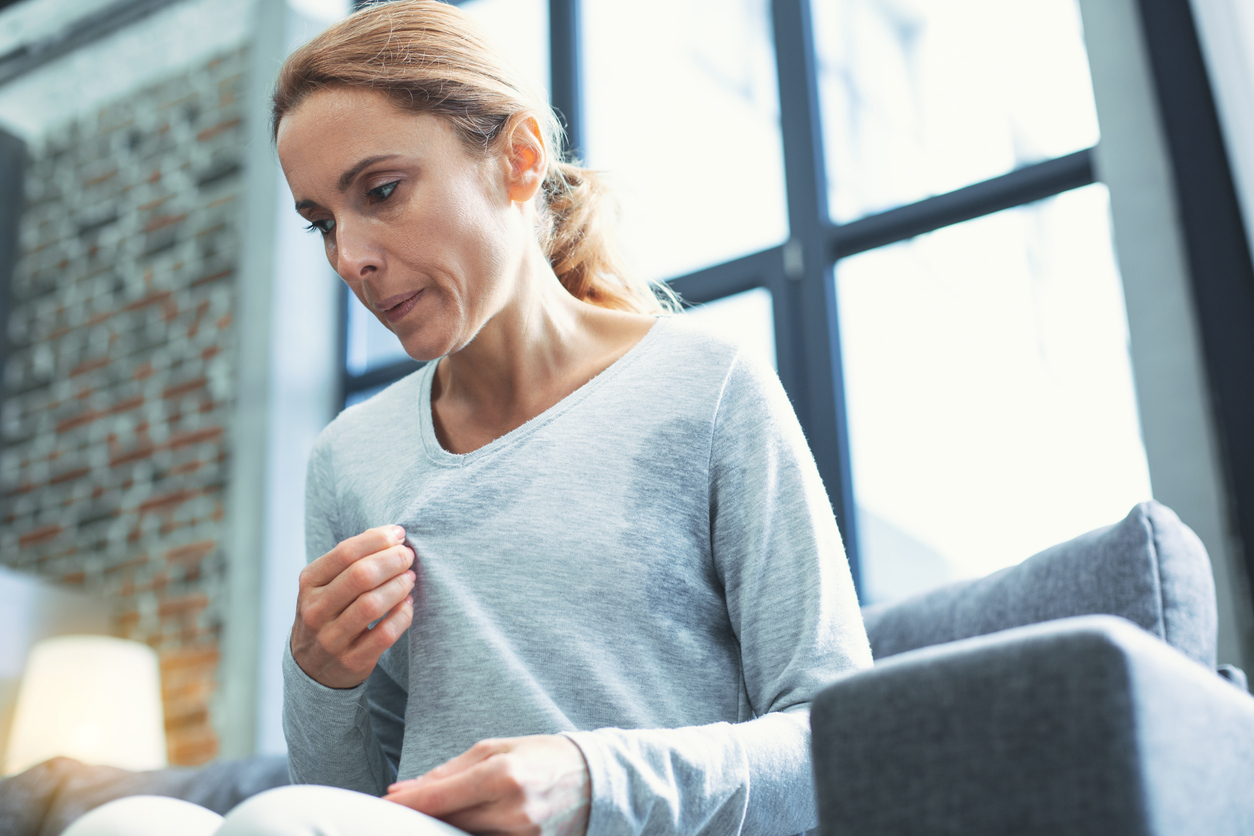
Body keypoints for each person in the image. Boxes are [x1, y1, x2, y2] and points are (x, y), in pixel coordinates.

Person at [63, 2, 871, 834]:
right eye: (323, 226)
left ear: (518, 159)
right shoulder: (350, 459)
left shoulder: (707, 386)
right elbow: (340, 804)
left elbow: (841, 743)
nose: (352, 258)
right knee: (113, 826)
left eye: (381, 191)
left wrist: (593, 779)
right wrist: (318, 676)